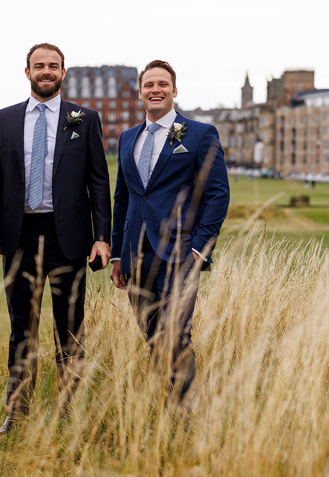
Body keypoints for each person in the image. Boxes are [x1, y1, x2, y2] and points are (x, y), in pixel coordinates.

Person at [0, 43, 111, 437]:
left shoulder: (84, 119)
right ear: (27, 72)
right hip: (19, 236)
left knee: (69, 330)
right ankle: (16, 415)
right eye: (40, 65)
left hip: (67, 237)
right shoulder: (3, 119)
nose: (46, 71)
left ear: (63, 72)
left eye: (53, 65)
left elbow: (98, 182)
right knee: (22, 329)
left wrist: (102, 236)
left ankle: (70, 414)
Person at [110, 60, 230, 401]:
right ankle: (169, 405)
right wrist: (118, 254)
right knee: (153, 337)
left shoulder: (200, 134)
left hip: (180, 254)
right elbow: (123, 199)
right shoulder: (127, 138)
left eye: (163, 84)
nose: (155, 90)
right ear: (140, 93)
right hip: (136, 257)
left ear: (174, 91)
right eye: (149, 85)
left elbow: (218, 193)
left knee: (176, 335)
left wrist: (199, 248)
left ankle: (185, 414)